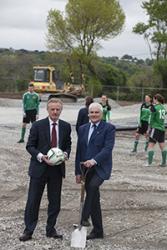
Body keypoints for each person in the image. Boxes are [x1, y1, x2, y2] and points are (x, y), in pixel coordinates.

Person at [19, 97, 71, 241]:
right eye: (52, 109)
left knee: (55, 202)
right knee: (33, 201)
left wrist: (65, 154)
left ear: (61, 110)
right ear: (47, 110)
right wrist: (42, 156)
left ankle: (51, 229)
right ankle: (28, 231)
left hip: (56, 170)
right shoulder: (37, 125)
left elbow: (68, 145)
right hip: (39, 168)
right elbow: (30, 146)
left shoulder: (66, 127)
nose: (55, 112)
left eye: (57, 109)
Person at [75, 102, 115, 240]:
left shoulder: (109, 128)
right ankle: (98, 231)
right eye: (91, 112)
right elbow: (79, 151)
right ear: (88, 114)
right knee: (94, 199)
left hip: (101, 167)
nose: (94, 115)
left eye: (96, 112)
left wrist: (94, 160)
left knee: (92, 187)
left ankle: (84, 218)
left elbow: (107, 149)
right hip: (86, 169)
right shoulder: (82, 129)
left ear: (101, 114)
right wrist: (78, 172)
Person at [145, 94, 167, 167]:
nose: (153, 100)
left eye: (154, 99)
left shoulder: (154, 107)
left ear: (156, 99)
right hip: (162, 128)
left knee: (150, 145)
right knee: (162, 146)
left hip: (155, 128)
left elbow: (151, 120)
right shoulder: (163, 108)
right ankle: (164, 163)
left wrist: (148, 129)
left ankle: (149, 163)